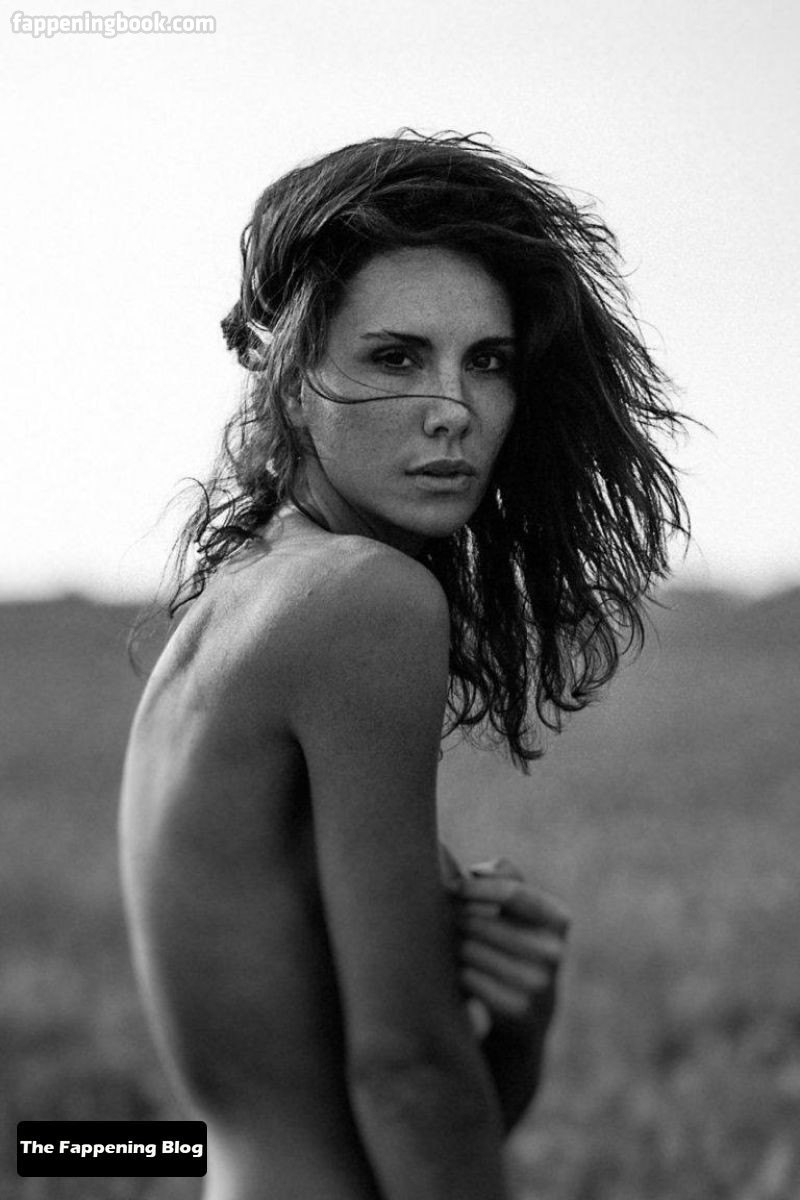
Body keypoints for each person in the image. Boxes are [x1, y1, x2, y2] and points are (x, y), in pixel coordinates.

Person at [120, 131, 687, 1200]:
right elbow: (407, 1075)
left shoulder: (246, 594)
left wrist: (513, 1030)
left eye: (488, 361)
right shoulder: (364, 599)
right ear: (292, 379)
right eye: (395, 358)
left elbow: (341, 1095)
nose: (453, 408)